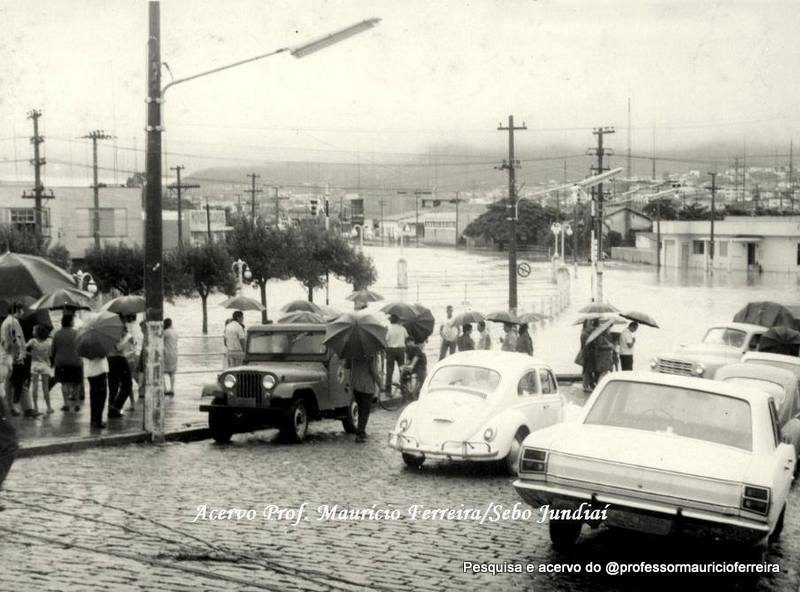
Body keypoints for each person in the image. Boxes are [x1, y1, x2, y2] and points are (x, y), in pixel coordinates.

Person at [2, 303, 38, 417]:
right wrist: (21, 353)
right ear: (17, 310)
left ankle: (11, 408)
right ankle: (26, 409)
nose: (23, 313)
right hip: (14, 357)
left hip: (7, 356)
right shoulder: (14, 322)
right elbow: (16, 340)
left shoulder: (5, 322)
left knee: (10, 383)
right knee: (20, 380)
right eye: (22, 310)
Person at [344, 353, 381, 443]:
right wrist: (381, 384)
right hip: (367, 386)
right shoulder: (372, 353)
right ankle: (360, 434)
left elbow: (347, 366)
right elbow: (374, 371)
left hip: (356, 385)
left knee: (361, 409)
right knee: (365, 411)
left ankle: (361, 431)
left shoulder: (352, 352)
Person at [51, 313, 83, 412]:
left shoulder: (57, 334)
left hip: (61, 362)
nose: (73, 322)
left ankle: (66, 404)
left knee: (64, 383)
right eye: (72, 320)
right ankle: (77, 404)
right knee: (76, 383)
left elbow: (53, 349)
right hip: (76, 361)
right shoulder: (77, 333)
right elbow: (81, 347)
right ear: (70, 322)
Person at [107, 319, 134, 418]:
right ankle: (116, 407)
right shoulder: (116, 332)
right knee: (127, 384)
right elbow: (118, 347)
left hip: (110, 360)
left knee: (113, 386)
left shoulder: (108, 332)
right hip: (119, 359)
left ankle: (112, 410)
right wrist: (127, 336)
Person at [26, 324, 54, 414]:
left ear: (37, 332)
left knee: (35, 386)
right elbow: (50, 354)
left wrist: (31, 354)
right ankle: (49, 407)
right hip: (45, 365)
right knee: (45, 387)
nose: (32, 331)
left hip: (34, 365)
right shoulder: (49, 342)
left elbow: (23, 348)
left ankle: (35, 407)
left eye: (34, 330)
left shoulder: (32, 341)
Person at [83, 353, 109, 429]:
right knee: (100, 398)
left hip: (91, 373)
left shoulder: (87, 348)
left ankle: (94, 420)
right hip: (99, 372)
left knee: (94, 398)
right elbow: (102, 355)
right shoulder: (98, 349)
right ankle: (98, 421)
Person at [384, 314, 408, 393]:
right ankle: (404, 388)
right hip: (401, 350)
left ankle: (388, 389)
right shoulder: (402, 328)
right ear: (398, 320)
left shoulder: (389, 329)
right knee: (402, 369)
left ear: (390, 320)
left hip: (391, 350)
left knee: (389, 370)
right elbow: (406, 337)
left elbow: (386, 340)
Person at [577, 320, 597, 393]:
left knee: (588, 370)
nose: (590, 325)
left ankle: (588, 385)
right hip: (586, 354)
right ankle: (585, 386)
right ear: (585, 325)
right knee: (586, 370)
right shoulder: (584, 334)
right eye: (589, 324)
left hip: (588, 353)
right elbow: (585, 345)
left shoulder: (586, 333)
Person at [163, 318, 178, 396]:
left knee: (161, 372)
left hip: (166, 354)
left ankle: (164, 389)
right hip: (174, 353)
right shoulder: (175, 332)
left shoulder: (165, 332)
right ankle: (172, 389)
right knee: (172, 373)